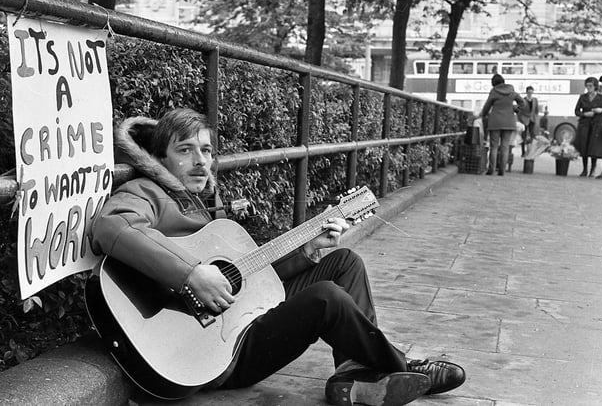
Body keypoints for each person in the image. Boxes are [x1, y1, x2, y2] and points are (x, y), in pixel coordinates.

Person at [90, 109, 466, 406]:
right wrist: (191, 274)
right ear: (159, 158)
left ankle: (353, 373)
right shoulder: (145, 190)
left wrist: (308, 249)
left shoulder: (201, 205)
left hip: (242, 324)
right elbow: (111, 227)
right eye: (184, 150)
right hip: (217, 355)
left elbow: (250, 274)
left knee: (343, 262)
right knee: (326, 298)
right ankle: (402, 367)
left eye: (206, 150)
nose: (201, 161)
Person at [475, 74, 526, 176]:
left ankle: (491, 169)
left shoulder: (494, 92)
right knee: (505, 147)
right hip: (509, 122)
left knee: (494, 146)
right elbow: (523, 103)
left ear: (494, 83)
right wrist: (515, 109)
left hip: (495, 122)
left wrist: (482, 115)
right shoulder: (512, 91)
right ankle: (502, 170)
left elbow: (487, 106)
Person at [573, 77, 599, 177]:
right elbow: (576, 111)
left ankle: (593, 169)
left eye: (590, 86)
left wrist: (596, 113)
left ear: (595, 86)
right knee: (584, 147)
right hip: (584, 124)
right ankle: (584, 169)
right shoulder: (583, 97)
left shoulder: (600, 97)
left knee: (593, 147)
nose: (588, 88)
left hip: (595, 125)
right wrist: (584, 114)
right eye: (587, 86)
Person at [518, 86, 539, 156]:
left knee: (532, 135)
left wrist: (535, 118)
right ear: (526, 92)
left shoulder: (535, 100)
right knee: (523, 136)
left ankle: (531, 151)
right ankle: (523, 152)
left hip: (532, 119)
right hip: (524, 120)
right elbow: (520, 111)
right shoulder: (523, 100)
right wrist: (521, 119)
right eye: (529, 92)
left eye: (531, 92)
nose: (530, 93)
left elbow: (536, 110)